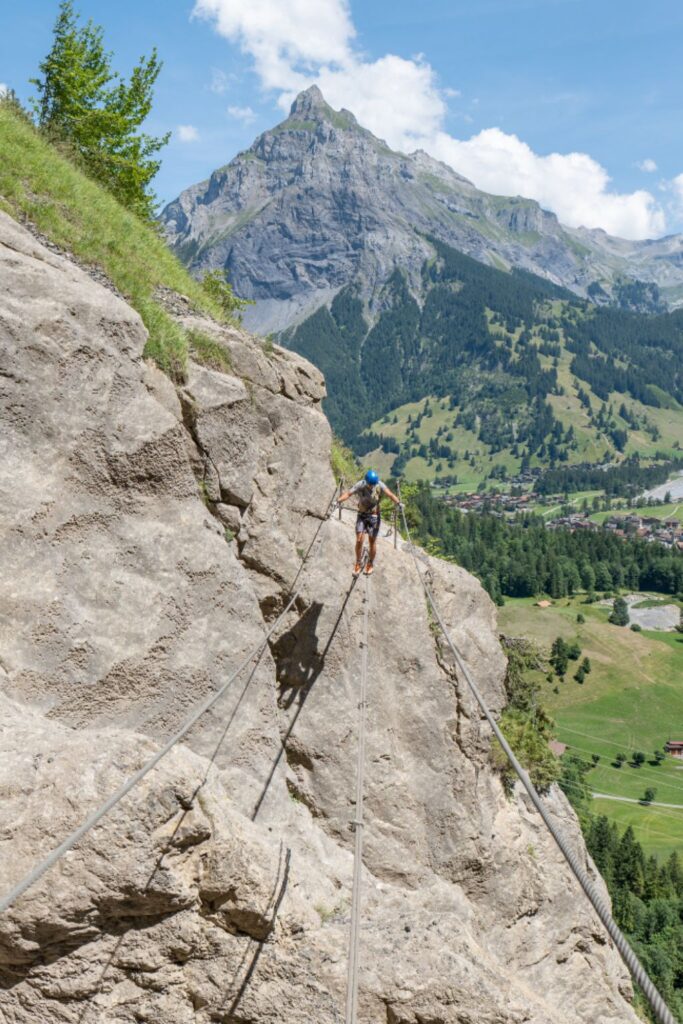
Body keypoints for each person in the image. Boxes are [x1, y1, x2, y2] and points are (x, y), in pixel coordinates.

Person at [338, 470, 402, 576]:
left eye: (373, 484)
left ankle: (370, 563)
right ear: (366, 482)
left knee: (372, 541)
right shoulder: (360, 484)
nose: (372, 486)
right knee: (359, 540)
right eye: (371, 484)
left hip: (374, 516)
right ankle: (358, 562)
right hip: (362, 514)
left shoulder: (379, 484)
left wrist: (398, 503)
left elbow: (390, 494)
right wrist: (338, 501)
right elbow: (348, 493)